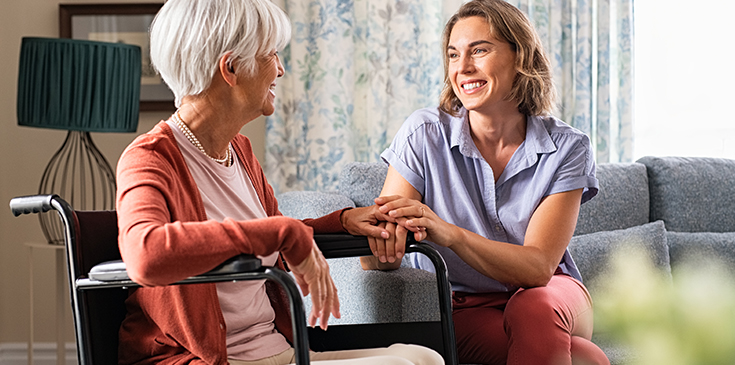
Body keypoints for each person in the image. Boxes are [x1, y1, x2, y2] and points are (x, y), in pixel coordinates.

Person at [115, 0, 444, 364]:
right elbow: (145, 255)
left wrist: (339, 222)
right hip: (203, 358)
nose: (281, 69)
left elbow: (266, 234)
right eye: (271, 55)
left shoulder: (238, 151)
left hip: (274, 351)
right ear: (232, 67)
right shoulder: (150, 158)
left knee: (423, 357)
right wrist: (281, 232)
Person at [361, 1, 610, 364]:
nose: (463, 68)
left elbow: (538, 268)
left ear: (520, 56)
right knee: (587, 358)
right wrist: (384, 245)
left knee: (534, 305)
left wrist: (450, 233)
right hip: (466, 306)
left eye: (479, 50)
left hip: (554, 294)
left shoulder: (568, 148)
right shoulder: (424, 135)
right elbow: (374, 254)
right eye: (453, 55)